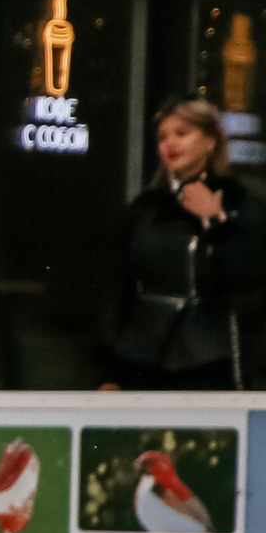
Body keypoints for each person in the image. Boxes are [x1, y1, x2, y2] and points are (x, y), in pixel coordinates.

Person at [103, 96, 264, 390]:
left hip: (211, 360)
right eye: (163, 136)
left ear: (210, 141)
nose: (170, 144)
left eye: (182, 133)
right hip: (141, 358)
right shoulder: (145, 207)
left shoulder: (241, 203)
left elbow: (246, 276)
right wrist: (108, 373)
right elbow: (117, 289)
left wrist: (215, 220)